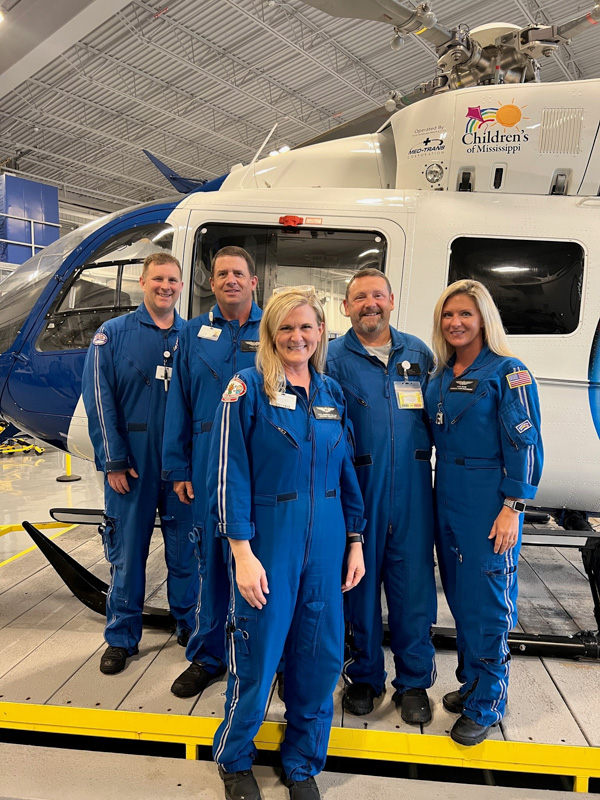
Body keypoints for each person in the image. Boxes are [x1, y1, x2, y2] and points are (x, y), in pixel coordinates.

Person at [209, 289, 366, 800]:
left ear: (321, 332)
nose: (297, 337)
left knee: (318, 659)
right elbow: (229, 472)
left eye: (306, 328)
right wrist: (242, 552)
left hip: (325, 544)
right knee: (257, 656)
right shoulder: (247, 388)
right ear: (270, 334)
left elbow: (345, 473)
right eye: (286, 329)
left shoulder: (330, 394)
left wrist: (355, 541)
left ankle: (301, 762)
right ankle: (234, 758)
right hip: (268, 541)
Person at [425, 279, 543, 746]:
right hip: (447, 496)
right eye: (448, 315)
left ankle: (489, 700)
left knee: (490, 601)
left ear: (483, 320)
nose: (455, 323)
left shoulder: (508, 372)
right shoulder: (439, 376)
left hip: (489, 501)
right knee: (460, 598)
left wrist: (512, 508)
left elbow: (527, 447)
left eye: (465, 315)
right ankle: (474, 681)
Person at [327, 267, 437, 723]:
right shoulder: (332, 358)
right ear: (347, 306)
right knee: (359, 588)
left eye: (377, 295)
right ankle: (364, 677)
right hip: (360, 488)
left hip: (413, 487)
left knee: (413, 591)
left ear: (391, 300)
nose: (369, 304)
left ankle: (413, 682)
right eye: (359, 298)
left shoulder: (419, 354)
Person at [82, 252, 198, 675]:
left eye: (173, 280)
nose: (165, 286)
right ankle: (121, 636)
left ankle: (191, 624)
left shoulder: (195, 337)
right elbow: (100, 401)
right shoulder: (111, 336)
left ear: (181, 286)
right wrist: (113, 459)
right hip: (131, 464)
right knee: (127, 552)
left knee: (187, 551)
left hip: (180, 466)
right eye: (158, 279)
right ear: (142, 282)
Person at [163, 246, 262, 698]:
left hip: (260, 461)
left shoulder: (275, 327)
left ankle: (262, 654)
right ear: (212, 282)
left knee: (261, 558)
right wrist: (178, 466)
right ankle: (207, 656)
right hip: (205, 460)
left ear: (253, 281)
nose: (230, 281)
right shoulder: (191, 333)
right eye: (222, 274)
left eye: (238, 273)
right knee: (209, 561)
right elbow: (177, 403)